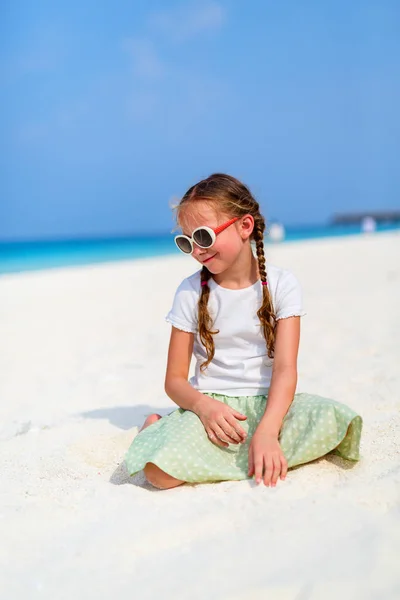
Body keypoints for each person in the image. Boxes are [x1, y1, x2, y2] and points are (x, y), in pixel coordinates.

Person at [125, 173, 362, 489]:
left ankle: (251, 451)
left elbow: (285, 370)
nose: (197, 250)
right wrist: (204, 408)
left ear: (245, 226)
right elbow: (175, 380)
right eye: (186, 241)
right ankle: (154, 429)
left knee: (338, 421)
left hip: (271, 402)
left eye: (204, 237)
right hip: (212, 408)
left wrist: (266, 431)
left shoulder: (282, 285)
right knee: (158, 474)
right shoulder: (190, 291)